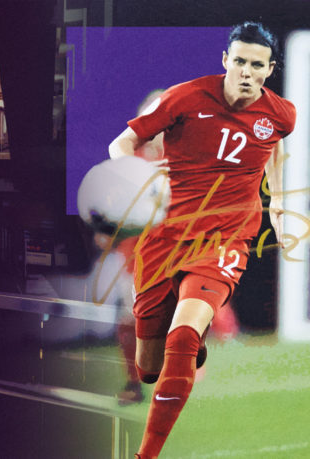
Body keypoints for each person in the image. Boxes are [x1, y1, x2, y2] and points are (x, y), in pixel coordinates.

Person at [108, 22, 295, 458]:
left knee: (183, 338)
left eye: (257, 65)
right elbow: (122, 143)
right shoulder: (184, 98)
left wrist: (281, 209)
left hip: (226, 237)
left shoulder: (281, 114)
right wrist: (134, 175)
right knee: (149, 368)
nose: (247, 71)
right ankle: (186, 347)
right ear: (226, 61)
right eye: (240, 61)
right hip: (165, 239)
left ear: (269, 69)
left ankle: (146, 454)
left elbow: (274, 154)